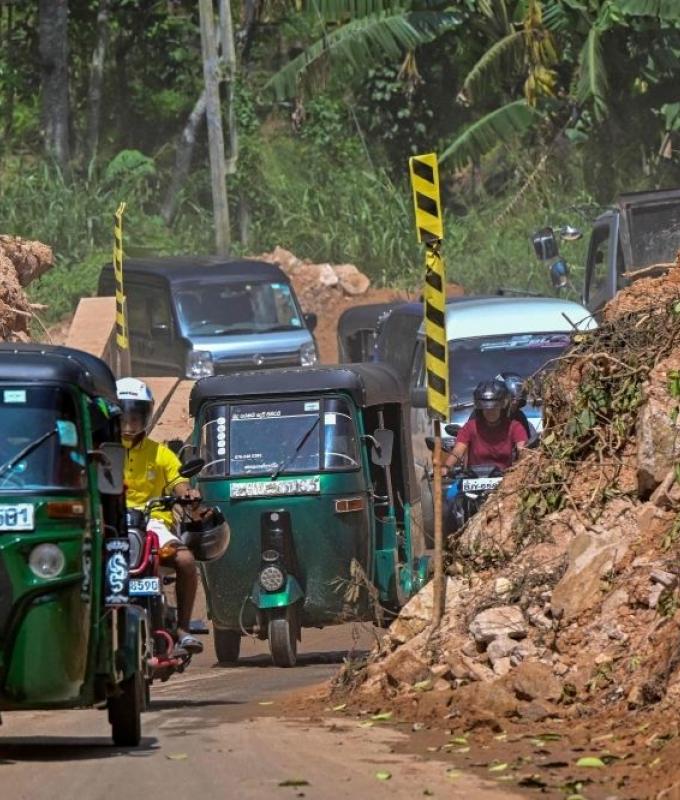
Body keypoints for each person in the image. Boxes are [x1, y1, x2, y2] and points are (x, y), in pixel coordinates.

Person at [117, 377, 203, 654]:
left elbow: (180, 482)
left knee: (186, 560)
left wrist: (187, 494)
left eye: (136, 415)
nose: (130, 423)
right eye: (124, 416)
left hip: (153, 524)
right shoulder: (102, 450)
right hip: (111, 521)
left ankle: (183, 628)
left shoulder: (161, 453)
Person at [443, 379, 527, 474]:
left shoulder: (515, 427)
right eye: (486, 408)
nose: (490, 412)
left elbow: (524, 451)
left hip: (505, 482)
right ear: (480, 408)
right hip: (472, 480)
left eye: (494, 408)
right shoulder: (470, 427)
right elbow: (457, 452)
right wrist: (446, 467)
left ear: (502, 407)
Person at [495, 371, 536, 441]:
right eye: (511, 398)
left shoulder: (521, 418)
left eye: (517, 400)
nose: (515, 402)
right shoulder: (480, 416)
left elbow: (528, 446)